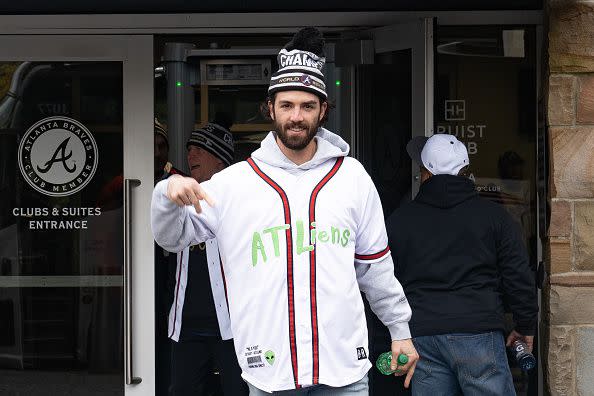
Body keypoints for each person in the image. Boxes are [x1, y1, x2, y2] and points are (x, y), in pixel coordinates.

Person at [152, 27, 418, 395]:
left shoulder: (352, 177)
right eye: (287, 105)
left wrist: (400, 329)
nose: (297, 116)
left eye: (308, 106)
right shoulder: (236, 183)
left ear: (323, 109)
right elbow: (171, 236)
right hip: (270, 373)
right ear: (270, 108)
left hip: (343, 371)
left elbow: (374, 266)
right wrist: (166, 194)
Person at [385, 134, 538, 396]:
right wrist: (525, 326)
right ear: (465, 171)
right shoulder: (493, 216)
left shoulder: (400, 220)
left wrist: (388, 335)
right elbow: (518, 275)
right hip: (479, 332)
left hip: (424, 336)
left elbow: (383, 281)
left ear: (426, 173)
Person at [167, 122, 248, 396]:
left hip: (233, 324)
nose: (191, 156)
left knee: (238, 391)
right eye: (189, 150)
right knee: (182, 390)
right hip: (186, 324)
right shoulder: (177, 201)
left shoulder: (242, 200)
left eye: (199, 150)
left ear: (220, 158)